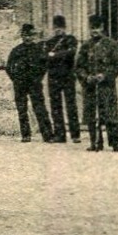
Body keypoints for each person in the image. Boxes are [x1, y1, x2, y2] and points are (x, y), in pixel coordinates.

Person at [74, 16, 118, 152]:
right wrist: (86, 77)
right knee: (92, 115)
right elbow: (78, 66)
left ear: (102, 28)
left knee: (111, 114)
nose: (94, 31)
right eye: (92, 28)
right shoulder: (85, 46)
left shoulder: (111, 44)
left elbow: (117, 65)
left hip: (106, 86)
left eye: (97, 28)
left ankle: (116, 143)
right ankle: (95, 143)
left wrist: (105, 75)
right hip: (91, 86)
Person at [5, 23, 55, 143]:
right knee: (22, 109)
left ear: (33, 36)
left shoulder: (38, 49)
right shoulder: (16, 50)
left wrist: (38, 78)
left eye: (30, 35)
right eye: (25, 35)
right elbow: (9, 67)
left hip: (34, 83)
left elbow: (44, 65)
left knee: (40, 108)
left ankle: (47, 135)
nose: (28, 38)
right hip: (20, 83)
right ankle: (26, 135)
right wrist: (16, 79)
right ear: (22, 36)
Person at [43, 14, 80, 143]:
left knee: (71, 105)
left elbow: (71, 53)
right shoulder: (49, 42)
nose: (58, 29)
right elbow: (44, 57)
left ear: (65, 28)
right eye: (56, 27)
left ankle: (75, 135)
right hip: (53, 77)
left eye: (61, 27)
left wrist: (54, 55)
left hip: (68, 76)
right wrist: (56, 55)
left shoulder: (71, 39)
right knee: (55, 106)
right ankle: (60, 134)